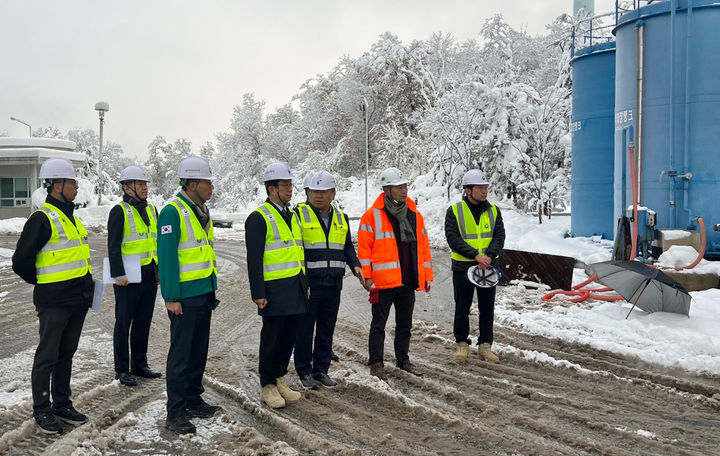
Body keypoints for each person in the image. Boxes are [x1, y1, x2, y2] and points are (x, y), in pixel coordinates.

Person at [12, 158, 92, 434]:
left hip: (76, 300)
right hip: (54, 302)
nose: (76, 185)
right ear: (57, 185)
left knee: (66, 353)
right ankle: (42, 410)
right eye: (71, 182)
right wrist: (45, 283)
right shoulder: (42, 219)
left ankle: (62, 404)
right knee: (47, 355)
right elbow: (21, 261)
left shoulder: (70, 217)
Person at [158, 156, 221, 434]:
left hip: (203, 293)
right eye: (207, 182)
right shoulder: (172, 212)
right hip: (183, 297)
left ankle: (194, 399)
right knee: (181, 356)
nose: (211, 187)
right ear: (192, 182)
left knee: (198, 352)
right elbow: (168, 258)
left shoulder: (200, 210)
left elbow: (203, 251)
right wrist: (171, 297)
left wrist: (212, 285)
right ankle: (176, 412)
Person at [358, 167, 433, 380]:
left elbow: (423, 249)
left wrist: (426, 276)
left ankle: (403, 359)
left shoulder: (414, 215)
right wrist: (367, 277)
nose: (403, 190)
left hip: (408, 280)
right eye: (399, 187)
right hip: (383, 283)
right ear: (387, 190)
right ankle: (376, 362)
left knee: (405, 324)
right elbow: (364, 250)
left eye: (405, 186)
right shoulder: (371, 216)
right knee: (378, 325)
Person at [245, 162, 307, 408]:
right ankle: (268, 385)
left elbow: (297, 252)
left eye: (291, 184)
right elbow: (254, 260)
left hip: (295, 287)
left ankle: (280, 378)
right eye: (285, 185)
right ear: (272, 189)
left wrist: (305, 284)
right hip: (273, 290)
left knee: (289, 337)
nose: (290, 189)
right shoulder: (258, 218)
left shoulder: (292, 215)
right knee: (272, 337)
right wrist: (257, 292)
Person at [293, 171, 363, 389]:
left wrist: (356, 265)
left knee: (326, 330)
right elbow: (295, 251)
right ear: (308, 193)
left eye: (324, 192)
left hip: (333, 285)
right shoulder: (298, 215)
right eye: (315, 192)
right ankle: (304, 371)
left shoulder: (341, 218)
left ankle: (321, 370)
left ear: (333, 194)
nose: (319, 196)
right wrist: (301, 283)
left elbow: (347, 247)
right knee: (304, 331)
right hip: (309, 286)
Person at [107, 165, 162, 387]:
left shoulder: (152, 210)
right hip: (127, 278)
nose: (145, 188)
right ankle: (122, 369)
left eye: (145, 184)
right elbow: (113, 247)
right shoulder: (119, 211)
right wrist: (118, 273)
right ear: (127, 188)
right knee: (123, 323)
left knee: (143, 322)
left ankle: (140, 364)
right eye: (140, 184)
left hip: (149, 274)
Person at [445, 169, 505, 363]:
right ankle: (462, 344)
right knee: (462, 307)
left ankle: (485, 346)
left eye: (485, 187)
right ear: (468, 190)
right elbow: (453, 239)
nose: (484, 191)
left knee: (487, 308)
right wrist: (475, 255)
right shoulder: (454, 211)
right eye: (479, 187)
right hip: (464, 267)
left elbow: (499, 236)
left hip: (487, 268)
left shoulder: (494, 211)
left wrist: (488, 255)